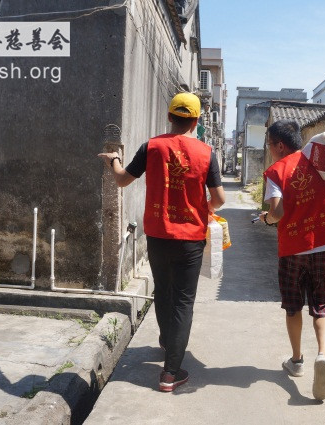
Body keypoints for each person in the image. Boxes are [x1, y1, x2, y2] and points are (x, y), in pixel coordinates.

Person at [99, 92, 225, 392]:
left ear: (169, 117)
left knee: (163, 291)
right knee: (183, 301)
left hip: (157, 235)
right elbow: (219, 199)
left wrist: (113, 160)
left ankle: (168, 341)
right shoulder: (206, 153)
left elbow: (122, 179)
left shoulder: (152, 147)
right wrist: (203, 209)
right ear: (196, 121)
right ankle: (170, 373)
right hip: (190, 239)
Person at [259, 120, 325, 400]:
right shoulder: (322, 159)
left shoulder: (276, 171)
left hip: (294, 248)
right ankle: (322, 355)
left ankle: (297, 361)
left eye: (269, 145)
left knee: (293, 306)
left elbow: (277, 213)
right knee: (323, 305)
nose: (270, 150)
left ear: (279, 145)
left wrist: (266, 219)